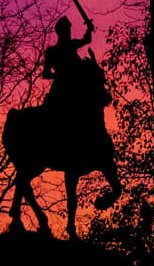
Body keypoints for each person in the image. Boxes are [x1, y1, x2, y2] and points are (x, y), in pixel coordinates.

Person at [41, 16, 112, 159]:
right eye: (66, 30)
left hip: (78, 85)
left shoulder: (72, 44)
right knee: (53, 113)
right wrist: (59, 75)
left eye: (69, 29)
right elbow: (46, 73)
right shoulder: (52, 51)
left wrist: (89, 29)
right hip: (61, 88)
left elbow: (87, 40)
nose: (68, 32)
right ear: (60, 32)